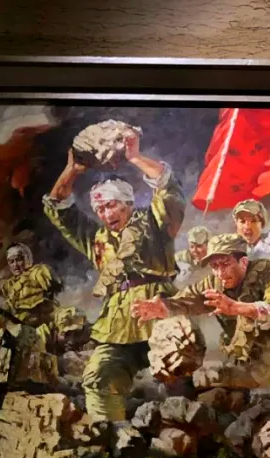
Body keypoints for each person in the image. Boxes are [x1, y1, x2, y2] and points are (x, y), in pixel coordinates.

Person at [43, 126, 185, 422]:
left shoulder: (154, 223)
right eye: (100, 209)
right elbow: (57, 207)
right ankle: (113, 435)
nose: (106, 214)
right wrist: (72, 170)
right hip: (117, 321)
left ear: (128, 203)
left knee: (177, 378)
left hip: (160, 310)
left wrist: (134, 157)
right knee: (98, 378)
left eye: (112, 205)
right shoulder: (97, 238)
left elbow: (168, 186)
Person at [132, 233, 270, 365]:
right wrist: (164, 306)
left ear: (244, 262)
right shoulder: (214, 282)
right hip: (245, 360)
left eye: (225, 264)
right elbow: (188, 299)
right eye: (215, 266)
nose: (220, 273)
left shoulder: (267, 272)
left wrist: (237, 308)